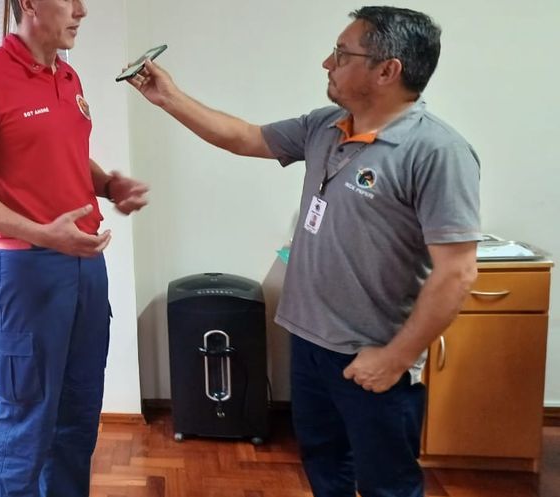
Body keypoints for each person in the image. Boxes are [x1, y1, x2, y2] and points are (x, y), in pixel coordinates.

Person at [129, 6, 479, 497]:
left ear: (387, 70)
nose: (327, 63)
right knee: (324, 467)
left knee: (388, 484)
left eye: (342, 53)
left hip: (372, 356)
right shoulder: (326, 125)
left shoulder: (437, 152)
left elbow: (457, 272)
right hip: (310, 343)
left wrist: (396, 358)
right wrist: (169, 97)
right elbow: (245, 137)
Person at [0, 1, 149, 495]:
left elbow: (66, 155)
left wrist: (108, 184)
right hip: (27, 273)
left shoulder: (68, 76)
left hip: (86, 267)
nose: (82, 10)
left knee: (78, 415)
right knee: (25, 425)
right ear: (30, 4)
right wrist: (43, 234)